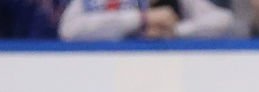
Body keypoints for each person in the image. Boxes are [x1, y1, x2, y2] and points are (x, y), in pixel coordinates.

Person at [58, 0, 234, 41]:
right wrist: (140, 19)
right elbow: (69, 30)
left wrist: (177, 30)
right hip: (105, 74)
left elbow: (224, 21)